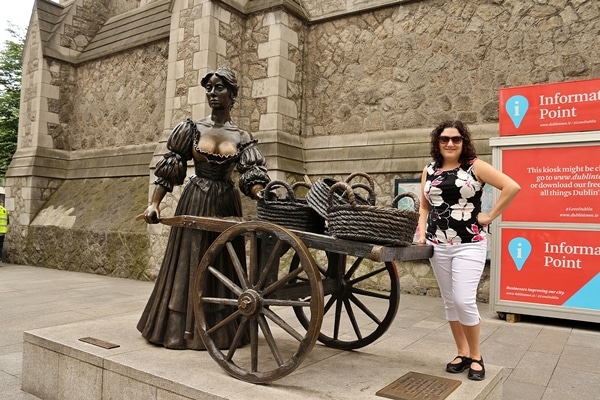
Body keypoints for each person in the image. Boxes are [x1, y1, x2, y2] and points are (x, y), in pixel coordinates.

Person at [137, 67, 270, 350]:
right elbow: (170, 168)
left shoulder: (242, 136)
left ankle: (221, 330)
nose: (212, 93)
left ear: (232, 95)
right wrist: (154, 204)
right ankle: (180, 330)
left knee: (223, 263)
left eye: (219, 87)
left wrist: (262, 195)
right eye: (209, 87)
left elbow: (252, 174)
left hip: (225, 203)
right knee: (189, 262)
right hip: (196, 199)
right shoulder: (191, 129)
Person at [418, 120, 520, 381]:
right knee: (450, 301)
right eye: (444, 139)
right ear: (437, 142)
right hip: (437, 245)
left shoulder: (474, 166)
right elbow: (424, 207)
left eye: (456, 139)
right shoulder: (429, 170)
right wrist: (421, 232)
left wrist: (491, 216)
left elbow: (512, 187)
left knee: (464, 300)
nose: (450, 143)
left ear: (464, 142)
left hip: (469, 244)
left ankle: (476, 355)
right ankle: (461, 352)